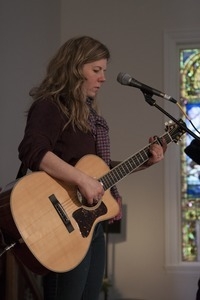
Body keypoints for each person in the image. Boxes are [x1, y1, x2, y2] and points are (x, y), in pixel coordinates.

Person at [18, 35, 167, 300]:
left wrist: (145, 161)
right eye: (96, 70)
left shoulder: (89, 118)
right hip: (62, 224)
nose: (103, 78)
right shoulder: (50, 106)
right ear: (74, 69)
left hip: (90, 224)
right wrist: (83, 181)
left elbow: (98, 174)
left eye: (104, 71)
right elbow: (33, 151)